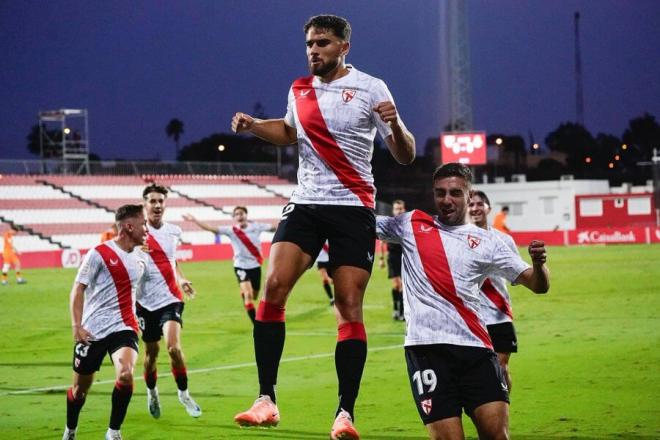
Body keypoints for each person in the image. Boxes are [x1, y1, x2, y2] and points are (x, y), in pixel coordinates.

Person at [230, 14, 415, 439]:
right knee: (273, 288)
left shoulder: (373, 88)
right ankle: (266, 400)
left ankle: (344, 413)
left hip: (352, 206)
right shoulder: (300, 88)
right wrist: (255, 126)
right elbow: (289, 132)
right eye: (311, 44)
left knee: (348, 306)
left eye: (324, 43)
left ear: (344, 47)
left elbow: (404, 154)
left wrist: (398, 123)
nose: (314, 50)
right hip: (307, 204)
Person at [376, 163, 549, 440]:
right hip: (426, 351)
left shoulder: (488, 242)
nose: (446, 200)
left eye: (455, 193)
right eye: (440, 193)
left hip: (476, 350)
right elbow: (357, 221)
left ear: (469, 197)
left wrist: (539, 265)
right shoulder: (410, 224)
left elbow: (538, 285)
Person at [62, 204, 148, 440]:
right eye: (143, 225)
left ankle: (113, 431)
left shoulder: (142, 258)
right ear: (129, 226)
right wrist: (76, 325)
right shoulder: (99, 253)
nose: (146, 230)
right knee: (80, 391)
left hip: (124, 328)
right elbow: (78, 289)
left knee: (126, 375)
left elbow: (143, 291)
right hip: (93, 331)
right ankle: (70, 429)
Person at [137, 184, 201, 420]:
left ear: (165, 204)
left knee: (173, 347)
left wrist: (182, 279)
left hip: (171, 298)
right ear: (144, 204)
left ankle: (183, 394)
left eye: (160, 201)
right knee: (151, 354)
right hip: (145, 302)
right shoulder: (135, 233)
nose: (157, 205)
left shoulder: (174, 231)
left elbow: (172, 262)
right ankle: (152, 392)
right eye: (152, 201)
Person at [183, 207, 274, 323]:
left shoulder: (256, 227)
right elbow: (212, 229)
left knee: (255, 295)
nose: (239, 216)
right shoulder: (231, 230)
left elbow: (274, 228)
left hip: (255, 265)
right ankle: (257, 324)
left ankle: (244, 293)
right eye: (236, 214)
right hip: (240, 266)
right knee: (248, 294)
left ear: (246, 215)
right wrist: (194, 220)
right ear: (234, 218)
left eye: (241, 213)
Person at [469, 190, 520, 393]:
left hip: (499, 316)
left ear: (488, 208)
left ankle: (503, 410)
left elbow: (516, 275)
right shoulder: (455, 238)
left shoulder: (504, 240)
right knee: (476, 371)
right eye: (471, 204)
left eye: (480, 204)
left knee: (500, 368)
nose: (475, 208)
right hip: (471, 317)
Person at [379, 200, 406, 321]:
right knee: (397, 285)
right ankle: (396, 309)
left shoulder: (407, 224)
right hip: (392, 257)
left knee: (402, 286)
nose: (399, 211)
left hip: (404, 258)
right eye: (397, 209)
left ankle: (401, 312)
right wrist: (381, 259)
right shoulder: (388, 224)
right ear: (393, 211)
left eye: (401, 208)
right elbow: (382, 241)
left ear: (404, 209)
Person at [315, 241, 335, 305]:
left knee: (334, 280)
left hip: (330, 259)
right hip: (321, 260)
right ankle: (332, 299)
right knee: (325, 280)